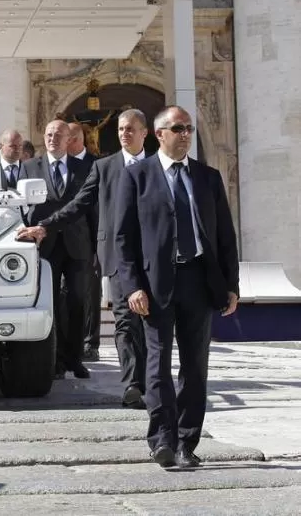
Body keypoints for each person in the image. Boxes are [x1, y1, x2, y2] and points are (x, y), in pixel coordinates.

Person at [114, 105, 239, 469]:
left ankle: (187, 441)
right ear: (160, 134)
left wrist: (231, 285)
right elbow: (123, 239)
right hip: (155, 286)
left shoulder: (208, 177)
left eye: (189, 129)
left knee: (195, 367)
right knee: (157, 365)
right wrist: (132, 286)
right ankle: (161, 439)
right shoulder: (137, 177)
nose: (185, 134)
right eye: (178, 128)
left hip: (199, 281)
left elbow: (225, 238)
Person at [17, 109, 152, 409]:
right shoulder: (104, 168)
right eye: (120, 129)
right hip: (118, 257)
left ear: (145, 133)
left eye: (130, 129)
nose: (124, 134)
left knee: (151, 324)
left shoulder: (158, 167)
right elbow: (79, 205)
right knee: (125, 323)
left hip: (154, 257)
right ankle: (133, 384)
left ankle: (152, 379)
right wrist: (45, 226)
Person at [17, 120, 92, 380]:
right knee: (50, 302)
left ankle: (76, 359)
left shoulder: (86, 167)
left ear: (69, 138)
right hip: (44, 245)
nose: (52, 138)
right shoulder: (29, 167)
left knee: (78, 302)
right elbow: (22, 208)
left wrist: (96, 245)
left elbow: (90, 207)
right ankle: (56, 359)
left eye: (58, 135)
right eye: (48, 134)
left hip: (78, 244)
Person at [67, 122, 102, 362]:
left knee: (90, 294)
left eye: (69, 137)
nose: (64, 141)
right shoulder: (56, 164)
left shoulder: (96, 165)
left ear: (78, 138)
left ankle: (91, 343)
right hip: (62, 241)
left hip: (89, 240)